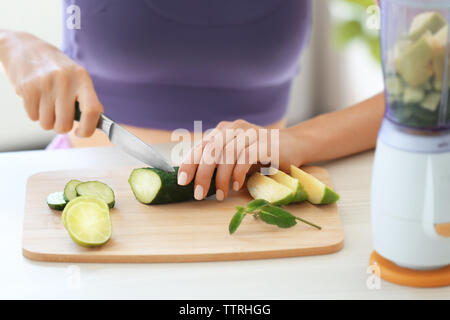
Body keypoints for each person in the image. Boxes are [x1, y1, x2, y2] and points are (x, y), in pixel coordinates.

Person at [0, 0, 384, 201]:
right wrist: (10, 41)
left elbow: (437, 90)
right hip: (94, 195)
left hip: (256, 205)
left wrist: (299, 140)